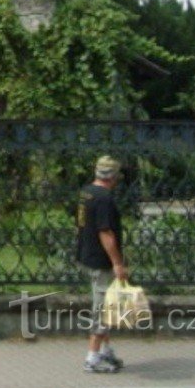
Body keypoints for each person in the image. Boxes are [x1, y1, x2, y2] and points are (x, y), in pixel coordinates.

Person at [76, 155, 127, 373]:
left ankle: (106, 350)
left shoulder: (86, 192)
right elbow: (105, 232)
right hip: (100, 260)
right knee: (103, 309)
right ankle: (92, 357)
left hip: (86, 255)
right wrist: (117, 263)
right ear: (113, 176)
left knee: (106, 303)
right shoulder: (104, 198)